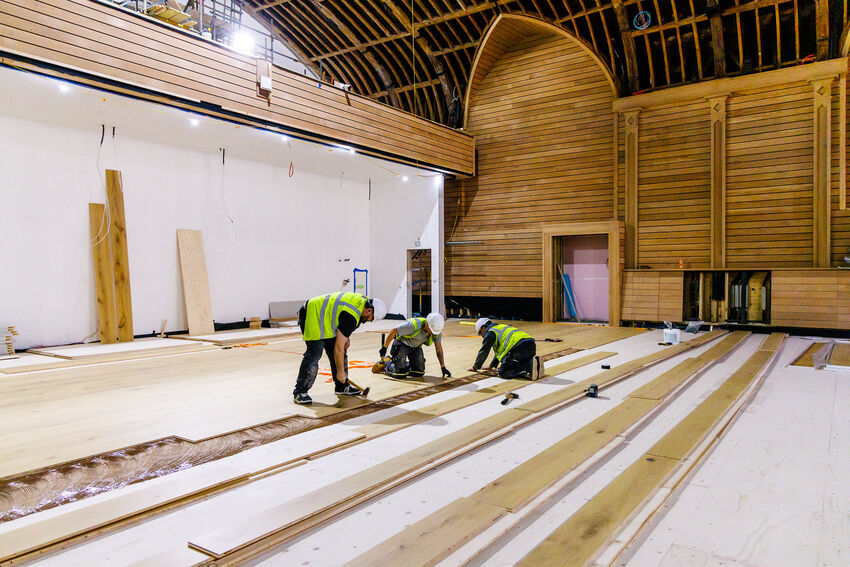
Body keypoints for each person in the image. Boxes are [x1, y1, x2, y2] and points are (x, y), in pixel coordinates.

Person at [293, 292, 387, 405]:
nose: (369, 321)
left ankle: (341, 386)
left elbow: (341, 320)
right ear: (369, 311)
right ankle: (300, 392)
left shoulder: (360, 305)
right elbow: (338, 347)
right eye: (371, 319)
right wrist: (341, 372)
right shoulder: (351, 316)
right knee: (314, 353)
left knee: (340, 350)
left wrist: (345, 337)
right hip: (313, 315)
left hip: (326, 320)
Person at [379, 313, 451, 379]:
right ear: (427, 324)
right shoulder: (413, 325)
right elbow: (393, 331)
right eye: (431, 330)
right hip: (402, 344)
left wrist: (443, 367)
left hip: (415, 347)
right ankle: (387, 363)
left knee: (418, 372)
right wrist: (384, 347)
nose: (433, 333)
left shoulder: (436, 332)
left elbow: (439, 350)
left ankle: (402, 364)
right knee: (399, 374)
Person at [468, 318, 540, 379]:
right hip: (531, 346)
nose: (482, 336)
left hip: (519, 349)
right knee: (509, 363)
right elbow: (500, 351)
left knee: (503, 372)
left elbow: (484, 352)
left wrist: (476, 367)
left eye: (480, 333)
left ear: (483, 328)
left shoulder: (490, 333)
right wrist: (492, 365)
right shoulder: (500, 327)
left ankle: (528, 366)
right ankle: (534, 363)